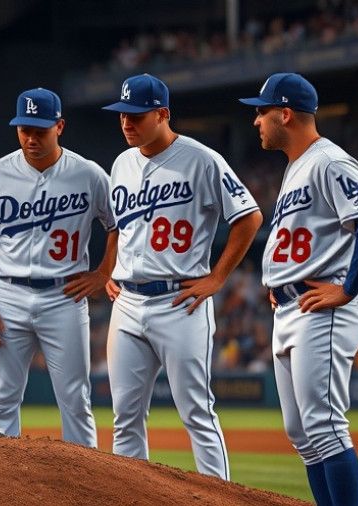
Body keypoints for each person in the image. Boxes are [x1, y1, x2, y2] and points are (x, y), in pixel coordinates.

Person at [101, 74, 263, 479]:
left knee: (196, 412)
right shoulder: (121, 163)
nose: (126, 123)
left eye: (136, 116)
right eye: (122, 115)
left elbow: (249, 217)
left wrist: (217, 278)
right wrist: (109, 269)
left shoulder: (201, 159)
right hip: (128, 302)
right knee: (125, 418)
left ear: (162, 114)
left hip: (180, 302)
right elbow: (119, 226)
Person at [240, 72, 358, 506]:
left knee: (324, 427)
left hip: (323, 309)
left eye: (262, 112)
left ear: (285, 114)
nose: (257, 121)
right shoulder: (296, 166)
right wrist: (279, 280)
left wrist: (347, 288)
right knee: (302, 435)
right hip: (291, 307)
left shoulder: (328, 160)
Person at [0, 88, 118, 447]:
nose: (31, 138)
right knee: (1, 400)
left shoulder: (89, 174)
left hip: (64, 295)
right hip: (7, 294)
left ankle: (86, 486)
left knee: (76, 400)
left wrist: (104, 271)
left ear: (59, 126)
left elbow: (119, 224)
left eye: (40, 130)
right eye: (24, 129)